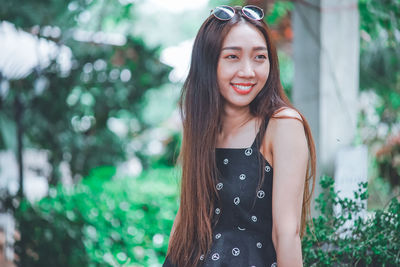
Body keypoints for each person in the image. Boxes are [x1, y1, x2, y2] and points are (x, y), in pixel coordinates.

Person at [163, 5, 316, 267]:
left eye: (259, 57)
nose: (248, 71)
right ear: (209, 63)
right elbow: (186, 218)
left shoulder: (282, 125)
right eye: (232, 57)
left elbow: (286, 235)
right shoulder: (203, 126)